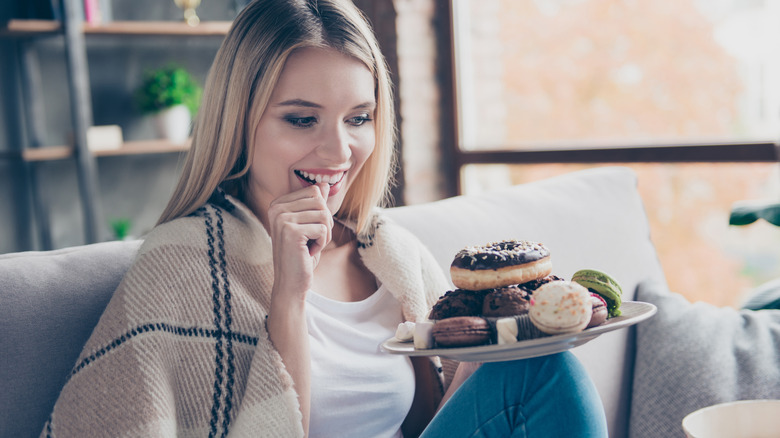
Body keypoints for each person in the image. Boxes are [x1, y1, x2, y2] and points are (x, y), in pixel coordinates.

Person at [42, 0, 608, 437]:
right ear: (241, 122)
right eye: (302, 119)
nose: (339, 153)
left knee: (544, 366)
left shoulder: (391, 253)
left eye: (357, 118)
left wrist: (494, 347)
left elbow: (428, 424)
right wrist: (288, 298)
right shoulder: (183, 264)